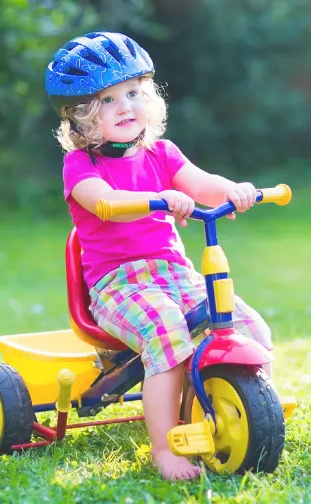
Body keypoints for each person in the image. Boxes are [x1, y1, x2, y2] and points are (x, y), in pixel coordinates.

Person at [45, 32, 274, 481]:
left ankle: (254, 409)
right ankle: (165, 448)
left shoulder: (161, 153)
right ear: (82, 116)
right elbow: (104, 201)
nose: (126, 106)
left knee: (248, 324)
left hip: (176, 275)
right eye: (108, 99)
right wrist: (160, 198)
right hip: (119, 286)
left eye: (133, 93)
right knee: (168, 332)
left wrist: (233, 190)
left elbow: (201, 182)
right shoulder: (81, 166)